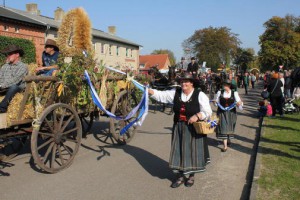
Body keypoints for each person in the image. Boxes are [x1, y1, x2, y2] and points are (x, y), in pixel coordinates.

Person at [148, 72, 212, 188]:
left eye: (186, 81)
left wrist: (197, 115)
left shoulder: (200, 94)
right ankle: (180, 177)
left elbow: (208, 111)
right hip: (179, 127)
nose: (183, 84)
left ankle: (191, 176)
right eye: (182, 81)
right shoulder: (176, 93)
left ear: (192, 83)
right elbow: (162, 95)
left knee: (192, 152)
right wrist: (150, 91)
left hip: (194, 129)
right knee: (179, 151)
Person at [214, 80, 243, 152]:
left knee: (230, 127)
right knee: (223, 128)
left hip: (231, 113)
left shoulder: (234, 93)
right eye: (224, 84)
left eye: (226, 85)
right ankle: (225, 146)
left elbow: (240, 104)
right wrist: (215, 102)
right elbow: (216, 103)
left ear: (229, 86)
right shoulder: (219, 92)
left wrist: (239, 104)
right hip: (221, 113)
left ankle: (228, 139)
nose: (224, 86)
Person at [0, 45, 28, 113]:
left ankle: (2, 107)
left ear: (17, 55)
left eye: (10, 54)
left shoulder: (23, 66)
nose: (8, 56)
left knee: (13, 87)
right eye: (7, 54)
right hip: (4, 88)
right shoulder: (5, 66)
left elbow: (16, 80)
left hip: (16, 89)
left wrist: (2, 86)